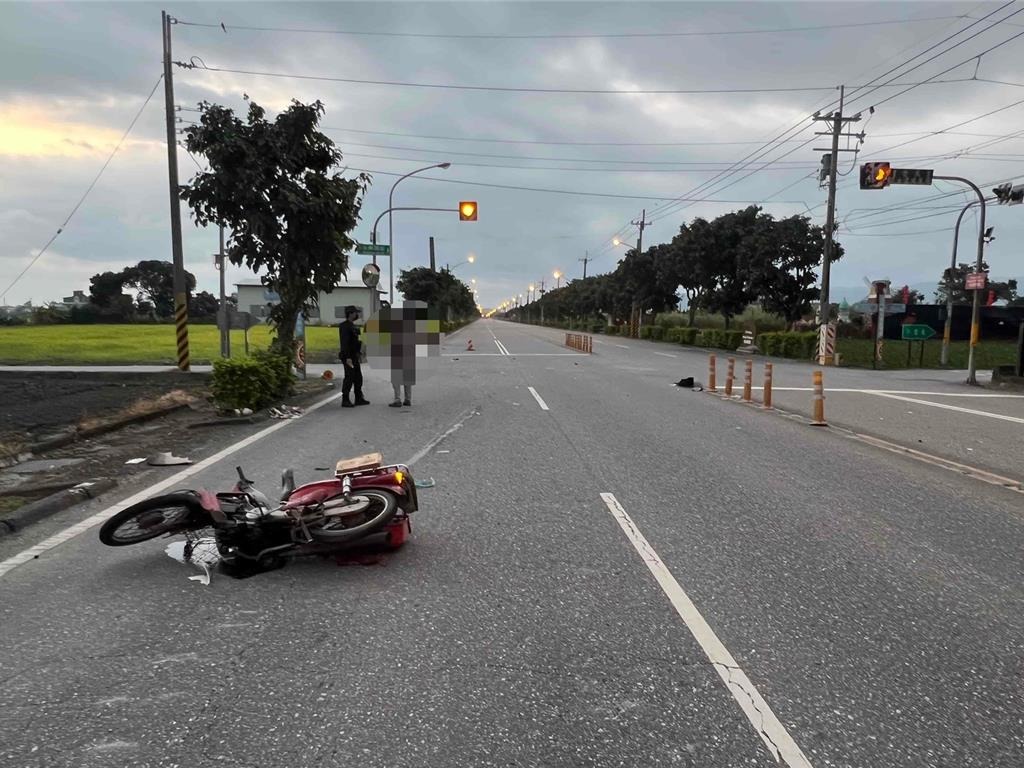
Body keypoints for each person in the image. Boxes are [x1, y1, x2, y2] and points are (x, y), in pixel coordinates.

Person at [338, 306, 370, 408]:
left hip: (354, 355)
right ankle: (345, 399)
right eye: (355, 313)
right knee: (349, 377)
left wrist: (358, 352)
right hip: (348, 356)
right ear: (350, 313)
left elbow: (355, 341)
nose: (357, 315)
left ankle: (358, 398)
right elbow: (345, 343)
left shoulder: (353, 326)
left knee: (358, 377)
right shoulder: (344, 326)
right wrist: (347, 357)